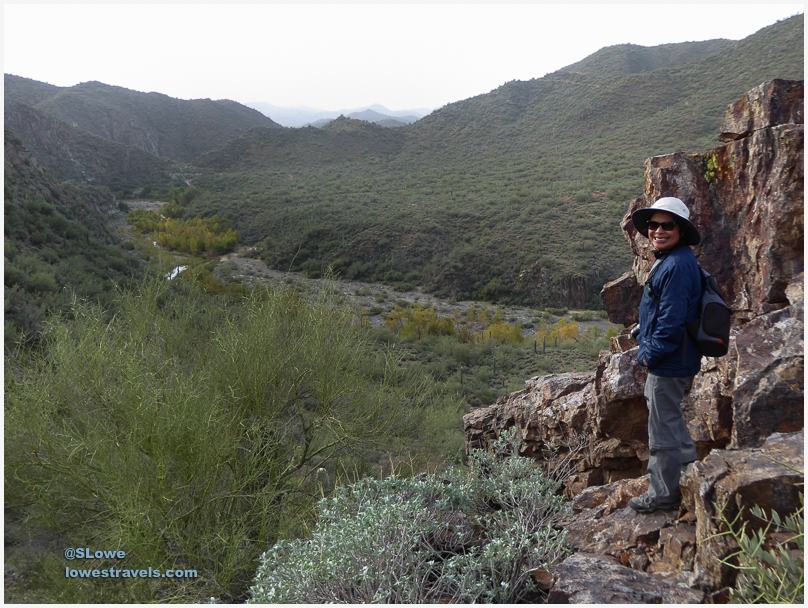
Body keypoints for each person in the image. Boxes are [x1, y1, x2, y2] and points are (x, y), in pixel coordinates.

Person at [628, 196, 702, 513]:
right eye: (653, 225)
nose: (658, 230)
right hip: (675, 357)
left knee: (662, 431)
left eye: (667, 225)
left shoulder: (676, 265)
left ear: (680, 230)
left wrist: (649, 354)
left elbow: (671, 321)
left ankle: (664, 495)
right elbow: (663, 311)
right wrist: (642, 329)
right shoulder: (674, 260)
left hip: (669, 362)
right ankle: (689, 479)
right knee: (670, 424)